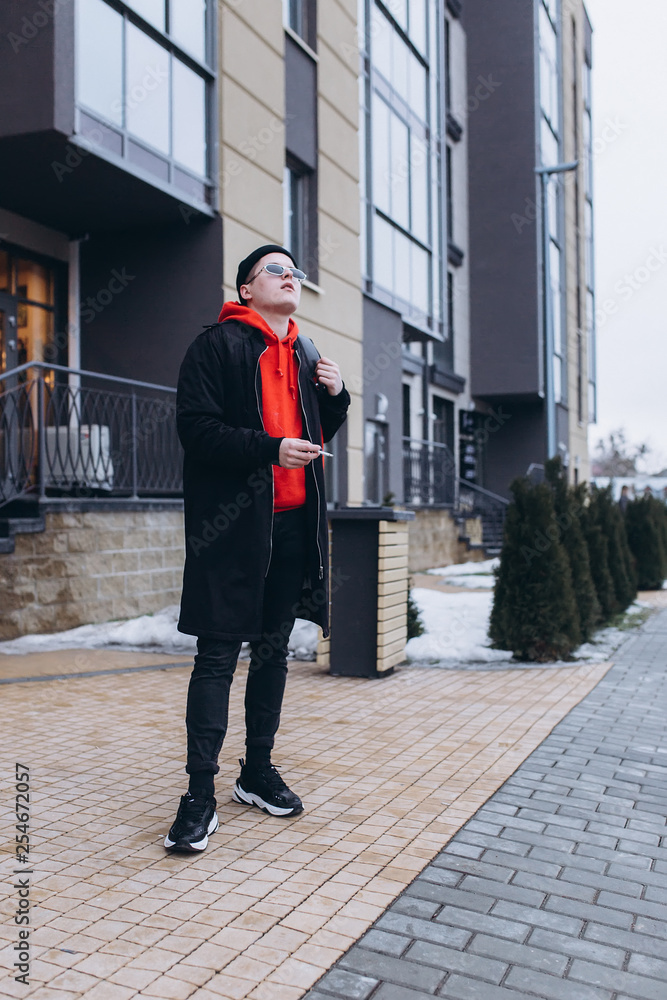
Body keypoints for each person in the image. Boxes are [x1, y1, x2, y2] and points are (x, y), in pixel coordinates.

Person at [165, 245, 350, 852]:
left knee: (272, 653)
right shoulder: (215, 346)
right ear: (246, 289)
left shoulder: (306, 353)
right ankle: (198, 794)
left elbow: (315, 437)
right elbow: (197, 430)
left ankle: (256, 771)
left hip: (294, 526)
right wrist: (270, 449)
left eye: (294, 271)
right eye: (277, 269)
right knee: (217, 657)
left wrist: (337, 396)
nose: (290, 276)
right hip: (235, 527)